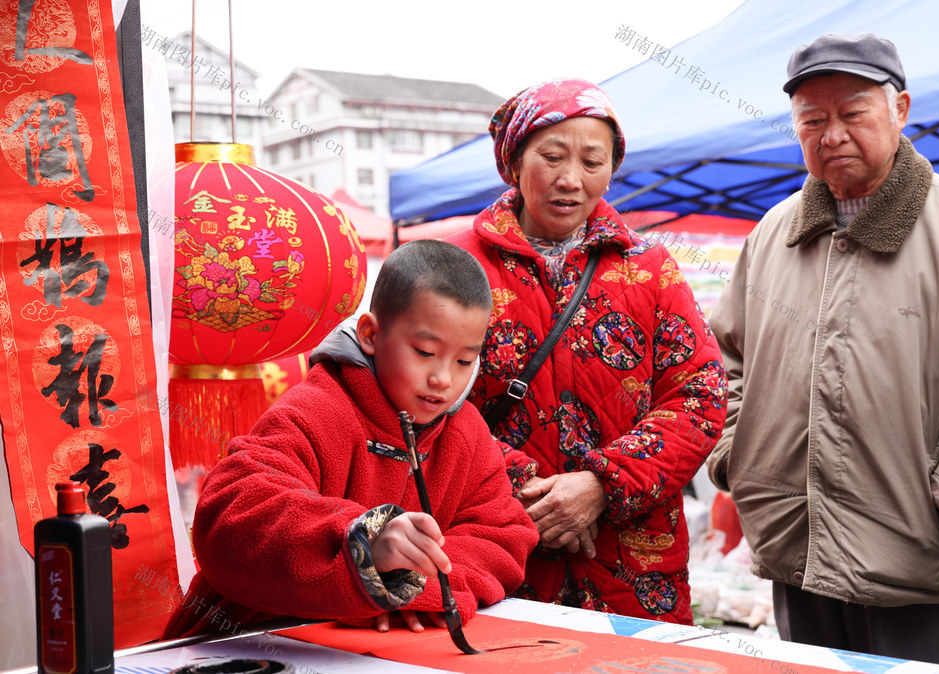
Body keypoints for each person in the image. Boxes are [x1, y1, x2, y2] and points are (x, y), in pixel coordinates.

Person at [707, 33, 939, 667]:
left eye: (852, 113)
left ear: (900, 110)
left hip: (915, 555)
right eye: (812, 119)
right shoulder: (774, 234)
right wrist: (739, 455)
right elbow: (723, 359)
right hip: (795, 550)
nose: (831, 133)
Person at [449, 78, 727, 624]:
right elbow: (418, 400)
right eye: (551, 157)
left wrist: (602, 484)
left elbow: (700, 395)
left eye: (593, 162)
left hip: (631, 563)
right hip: (497, 547)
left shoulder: (650, 269)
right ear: (514, 162)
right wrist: (529, 492)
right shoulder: (454, 266)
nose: (571, 180)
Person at [162, 240, 538, 638]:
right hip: (256, 644)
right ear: (371, 334)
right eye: (425, 351)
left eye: (465, 361)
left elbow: (503, 535)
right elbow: (231, 512)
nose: (443, 379)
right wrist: (364, 544)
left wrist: (406, 584)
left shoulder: (467, 433)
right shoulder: (319, 408)